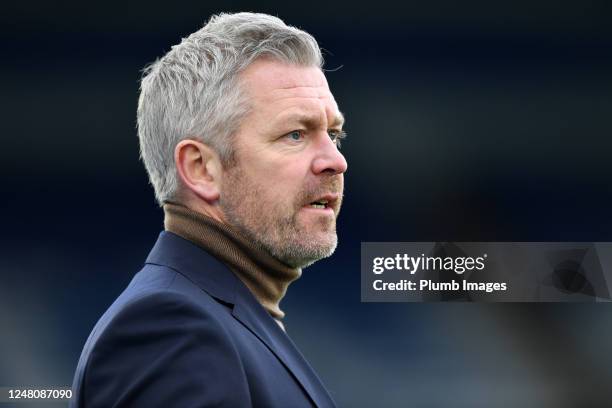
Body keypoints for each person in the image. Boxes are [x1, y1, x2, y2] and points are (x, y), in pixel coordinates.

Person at [70, 12, 347, 408]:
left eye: (333, 134)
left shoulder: (225, 318)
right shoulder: (170, 328)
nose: (335, 161)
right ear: (201, 169)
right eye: (295, 134)